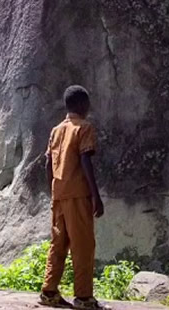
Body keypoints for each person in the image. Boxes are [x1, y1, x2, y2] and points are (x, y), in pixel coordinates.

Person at [40, 85, 104, 310]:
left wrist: (53, 191)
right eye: (87, 104)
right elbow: (85, 160)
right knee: (83, 244)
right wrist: (95, 195)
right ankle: (83, 297)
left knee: (58, 244)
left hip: (59, 194)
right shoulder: (84, 128)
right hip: (77, 194)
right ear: (82, 105)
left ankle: (49, 292)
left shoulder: (56, 130)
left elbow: (48, 163)